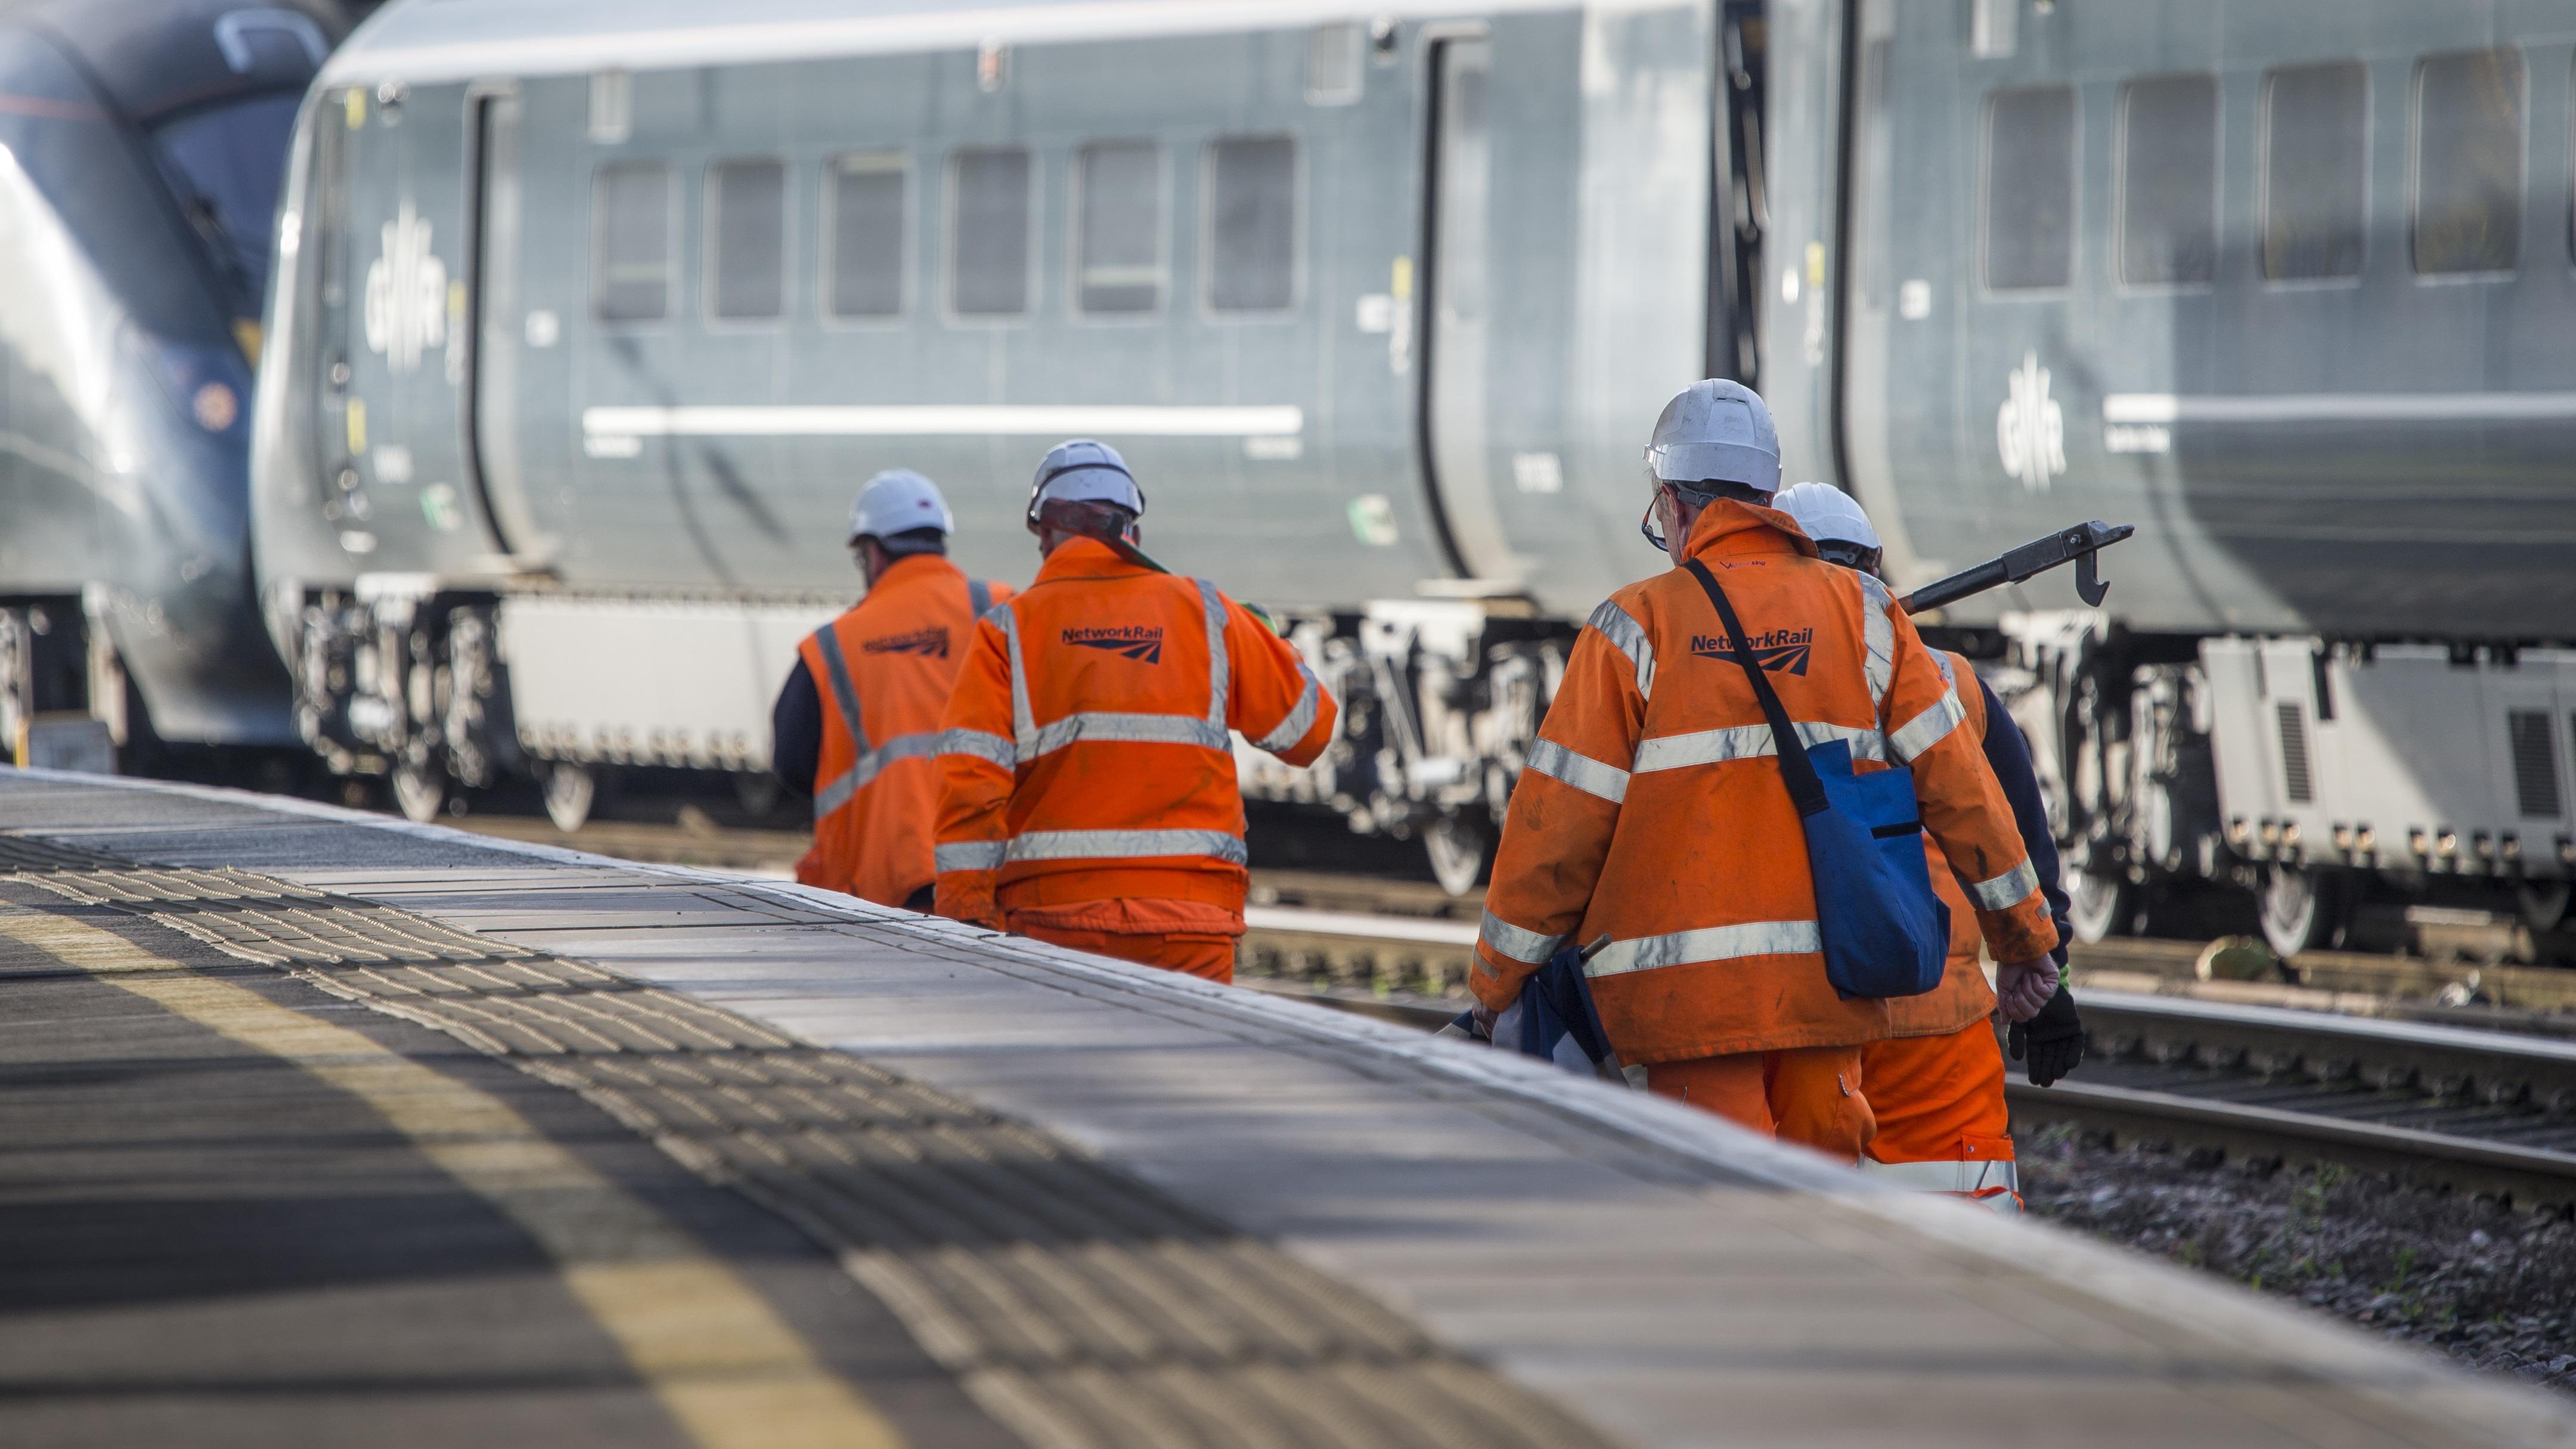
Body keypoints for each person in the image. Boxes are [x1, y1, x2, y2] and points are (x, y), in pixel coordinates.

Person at [1469, 380, 2062, 1162]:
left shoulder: (1631, 629)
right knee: (1819, 1220)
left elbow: (1554, 834)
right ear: (1767, 496)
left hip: (1683, 1011)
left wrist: (1495, 986)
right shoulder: (1868, 616)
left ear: (1674, 506)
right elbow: (1964, 791)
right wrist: (2024, 938)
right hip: (1829, 999)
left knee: (1719, 1216)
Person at [1773, 482, 2085, 1209]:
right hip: (1935, 1018)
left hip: (1795, 1017)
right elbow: (2023, 848)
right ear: (1878, 570)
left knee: (1804, 1227)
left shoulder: (1731, 685)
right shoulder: (1951, 681)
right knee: (1960, 1223)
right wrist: (2051, 983)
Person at [931, 440, 1335, 982]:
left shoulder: (1007, 630)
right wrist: (1267, 641)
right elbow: (1309, 731)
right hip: (1190, 920)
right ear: (1132, 531)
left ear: (1046, 534)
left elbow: (969, 786)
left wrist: (965, 920)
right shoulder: (1209, 613)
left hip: (1054, 923)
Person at [772, 469, 1013, 910]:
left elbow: (790, 762)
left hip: (890, 884)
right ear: (939, 540)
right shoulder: (1002, 609)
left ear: (873, 553)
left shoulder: (832, 645)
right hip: (998, 870)